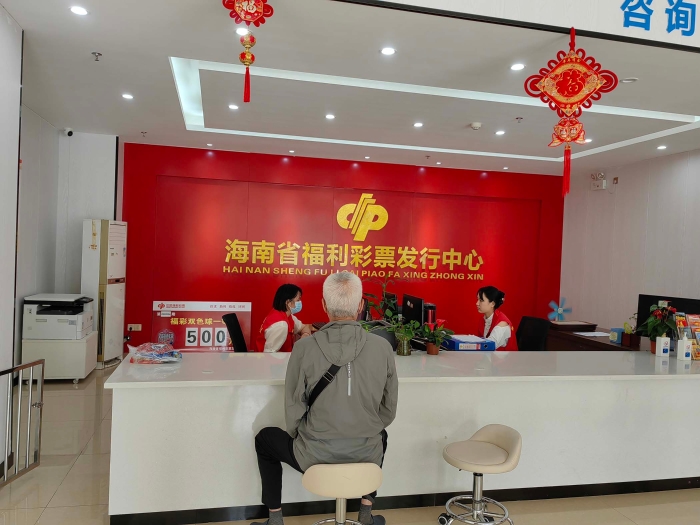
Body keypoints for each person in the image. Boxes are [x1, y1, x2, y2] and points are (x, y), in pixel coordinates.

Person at [252, 272, 399, 525]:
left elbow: (293, 408)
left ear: (324, 305)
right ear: (361, 305)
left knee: (265, 439)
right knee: (380, 435)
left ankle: (275, 519)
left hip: (314, 455)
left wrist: (304, 436)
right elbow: (388, 410)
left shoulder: (303, 348)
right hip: (366, 454)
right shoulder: (383, 347)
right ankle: (366, 513)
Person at [255, 284, 313, 352]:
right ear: (288, 302)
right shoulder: (281, 325)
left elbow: (303, 327)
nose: (300, 302)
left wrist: (305, 335)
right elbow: (269, 355)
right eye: (298, 300)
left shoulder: (288, 316)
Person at [476, 285, 516, 351]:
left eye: (481, 300)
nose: (477, 303)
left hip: (505, 357)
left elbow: (488, 346)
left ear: (492, 304)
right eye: (477, 299)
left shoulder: (502, 323)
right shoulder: (483, 319)